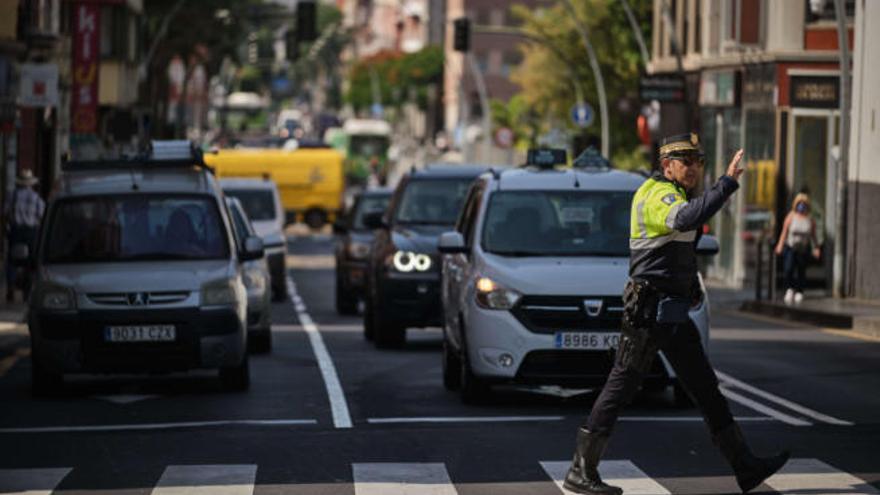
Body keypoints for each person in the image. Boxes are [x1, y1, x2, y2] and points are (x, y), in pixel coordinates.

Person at [563, 133, 789, 495]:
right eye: (686, 162)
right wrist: (727, 183)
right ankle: (581, 470)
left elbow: (679, 249)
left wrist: (690, 285)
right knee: (622, 386)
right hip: (649, 313)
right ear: (667, 165)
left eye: (698, 161)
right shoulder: (657, 195)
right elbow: (685, 220)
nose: (694, 168)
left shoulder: (677, 193)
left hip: (671, 312)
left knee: (705, 388)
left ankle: (745, 466)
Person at [4, 169, 45, 302]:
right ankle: (26, 292)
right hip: (31, 232)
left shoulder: (12, 196)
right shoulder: (36, 198)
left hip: (16, 230)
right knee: (30, 263)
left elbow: (5, 213)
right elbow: (42, 215)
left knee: (12, 261)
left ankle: (10, 288)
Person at [774, 193, 821, 305]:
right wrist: (780, 245)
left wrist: (816, 248)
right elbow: (784, 232)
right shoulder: (791, 216)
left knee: (801, 271)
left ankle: (800, 291)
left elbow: (813, 236)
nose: (801, 206)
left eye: (804, 204)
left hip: (803, 249)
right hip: (790, 247)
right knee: (788, 269)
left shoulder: (810, 220)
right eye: (799, 203)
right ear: (796, 204)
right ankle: (789, 289)